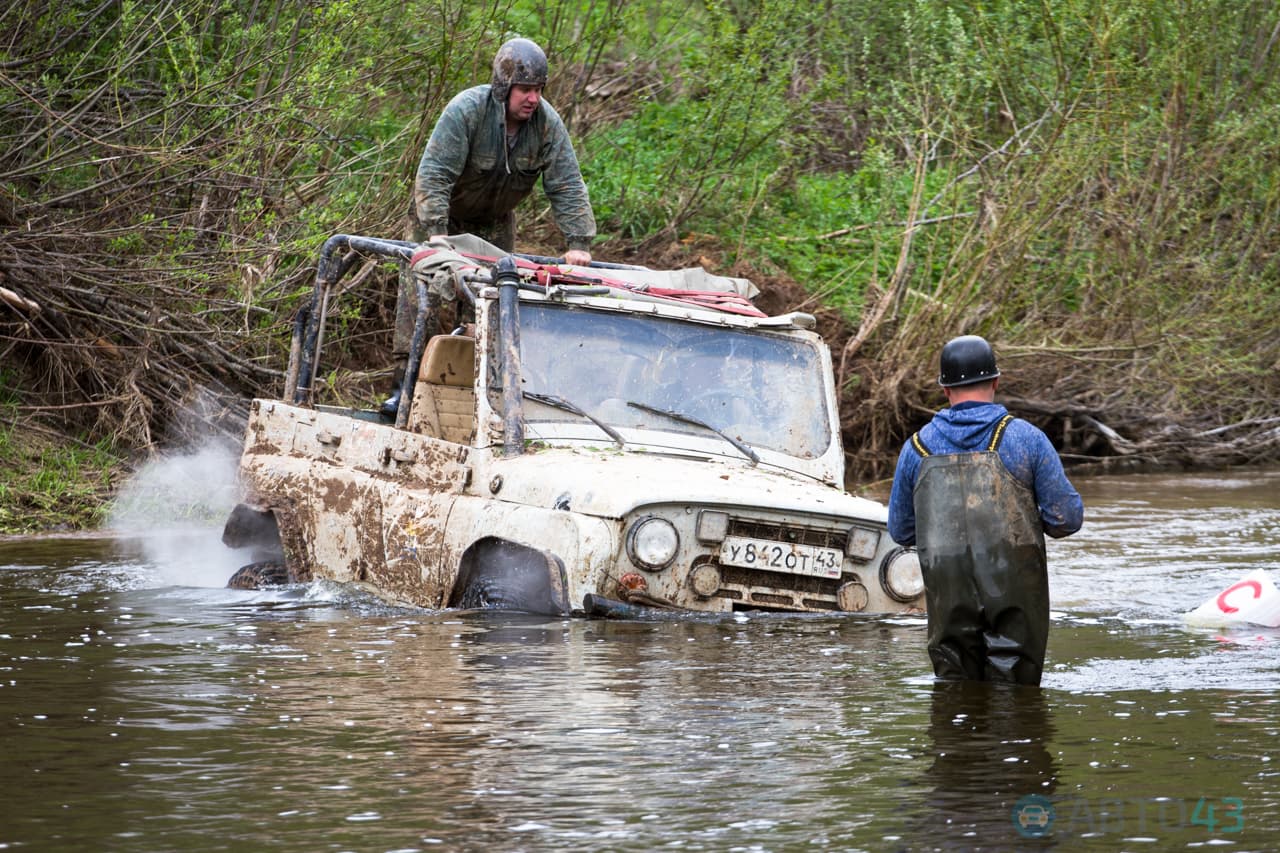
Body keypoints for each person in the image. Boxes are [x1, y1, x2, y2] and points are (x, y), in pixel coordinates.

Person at [385, 36, 597, 416]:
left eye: (538, 90)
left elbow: (566, 183)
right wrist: (436, 231)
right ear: (504, 87)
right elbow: (434, 173)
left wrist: (578, 241)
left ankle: (473, 398)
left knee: (490, 304)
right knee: (425, 298)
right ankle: (404, 385)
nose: (532, 99)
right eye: (525, 90)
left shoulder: (547, 125)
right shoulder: (467, 111)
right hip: (440, 216)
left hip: (494, 222)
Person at [887, 335, 1083, 686]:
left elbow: (901, 532)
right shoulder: (1026, 439)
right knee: (1018, 703)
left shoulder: (914, 449)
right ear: (996, 381)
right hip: (1015, 602)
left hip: (948, 602)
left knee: (953, 699)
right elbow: (1066, 520)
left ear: (945, 390)